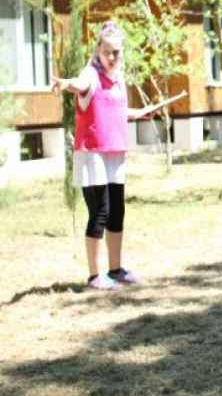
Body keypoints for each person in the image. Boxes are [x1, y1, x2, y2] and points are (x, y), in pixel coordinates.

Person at [52, 21, 154, 290]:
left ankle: (116, 269)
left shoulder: (118, 78)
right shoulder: (90, 74)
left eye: (117, 52)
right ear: (98, 49)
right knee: (100, 211)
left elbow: (116, 112)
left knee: (117, 212)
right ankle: (95, 276)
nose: (112, 57)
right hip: (92, 153)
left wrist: (139, 113)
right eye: (108, 52)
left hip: (114, 152)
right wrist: (67, 84)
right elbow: (80, 84)